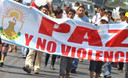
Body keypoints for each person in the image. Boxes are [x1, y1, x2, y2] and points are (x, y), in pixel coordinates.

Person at [23, 5, 49, 74]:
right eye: (43, 10)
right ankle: (28, 66)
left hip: (43, 38)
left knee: (40, 54)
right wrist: (31, 10)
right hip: (34, 37)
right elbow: (29, 16)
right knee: (31, 51)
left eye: (46, 10)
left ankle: (37, 68)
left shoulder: (49, 19)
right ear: (40, 10)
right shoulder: (36, 16)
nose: (44, 11)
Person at [71, 6, 89, 73]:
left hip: (80, 39)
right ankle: (69, 66)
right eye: (80, 10)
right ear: (77, 11)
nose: (81, 12)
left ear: (84, 12)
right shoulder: (74, 17)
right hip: (72, 38)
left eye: (82, 10)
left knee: (77, 53)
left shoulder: (86, 19)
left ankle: (74, 67)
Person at [59, 8, 76, 78]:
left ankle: (67, 72)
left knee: (70, 60)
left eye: (72, 14)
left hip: (72, 44)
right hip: (64, 43)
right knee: (63, 59)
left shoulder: (76, 24)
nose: (71, 15)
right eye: (69, 14)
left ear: (74, 15)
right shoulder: (64, 22)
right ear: (67, 14)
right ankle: (61, 74)